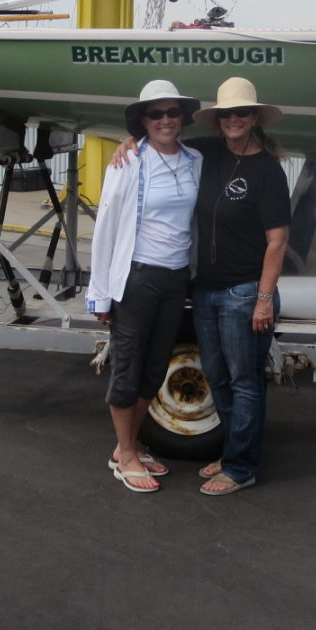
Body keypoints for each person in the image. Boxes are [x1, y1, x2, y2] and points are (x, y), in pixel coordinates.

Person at [86, 79, 202, 493]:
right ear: (144, 121)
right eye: (156, 114)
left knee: (154, 369)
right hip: (137, 277)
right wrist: (99, 292)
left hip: (175, 278)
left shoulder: (195, 160)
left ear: (183, 118)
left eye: (172, 113)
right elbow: (107, 226)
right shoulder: (129, 161)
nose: (166, 120)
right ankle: (125, 455)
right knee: (128, 367)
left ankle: (128, 445)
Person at [187, 77, 291, 496]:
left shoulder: (267, 170)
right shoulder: (208, 152)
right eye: (227, 114)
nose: (234, 120)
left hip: (245, 292)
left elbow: (278, 240)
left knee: (245, 381)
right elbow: (161, 140)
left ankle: (242, 466)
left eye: (242, 113)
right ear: (218, 120)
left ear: (254, 119)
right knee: (218, 377)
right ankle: (233, 452)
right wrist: (127, 146)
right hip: (206, 288)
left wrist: (264, 300)